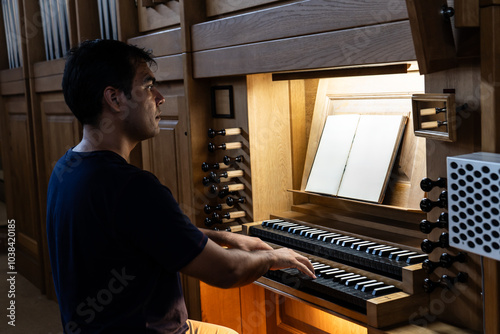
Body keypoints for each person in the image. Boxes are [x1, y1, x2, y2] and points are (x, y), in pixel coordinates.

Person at [46, 39, 315, 334]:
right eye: (148, 86)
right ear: (115, 99)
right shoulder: (134, 187)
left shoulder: (66, 169)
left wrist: (226, 237)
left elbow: (145, 233)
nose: (160, 98)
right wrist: (273, 257)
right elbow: (228, 271)